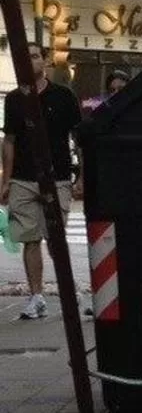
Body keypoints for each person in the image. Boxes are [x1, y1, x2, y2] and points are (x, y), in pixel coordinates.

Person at [0, 42, 83, 319]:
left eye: (35, 56)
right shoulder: (14, 99)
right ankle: (36, 296)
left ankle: (67, 290)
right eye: (25, 57)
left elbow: (78, 138)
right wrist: (6, 179)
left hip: (57, 176)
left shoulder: (63, 96)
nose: (30, 61)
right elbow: (9, 141)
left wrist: (81, 176)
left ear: (45, 61)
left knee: (56, 238)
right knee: (30, 239)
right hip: (23, 177)